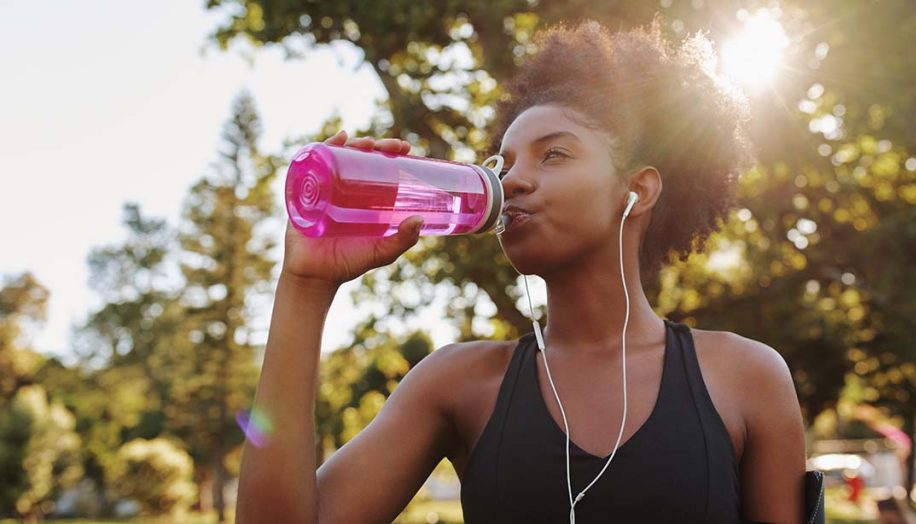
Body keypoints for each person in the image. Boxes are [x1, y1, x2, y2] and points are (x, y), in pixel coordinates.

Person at [237, 19, 808, 524]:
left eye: (553, 154)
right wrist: (304, 288)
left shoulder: (744, 378)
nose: (511, 181)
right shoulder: (458, 385)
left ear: (637, 189)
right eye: (503, 162)